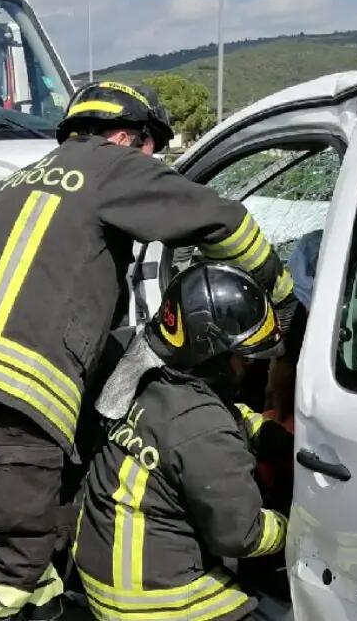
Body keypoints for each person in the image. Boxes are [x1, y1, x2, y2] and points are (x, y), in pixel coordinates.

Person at [0, 82, 297, 621]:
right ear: (128, 136)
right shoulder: (114, 165)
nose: (151, 161)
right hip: (23, 386)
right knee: (18, 554)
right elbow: (224, 220)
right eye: (152, 149)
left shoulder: (7, 187)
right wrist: (283, 297)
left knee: (44, 523)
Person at [73, 263, 292, 621]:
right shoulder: (202, 427)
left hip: (104, 576)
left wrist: (263, 431)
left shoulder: (146, 380)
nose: (248, 365)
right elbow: (241, 535)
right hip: (156, 602)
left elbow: (215, 418)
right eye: (242, 356)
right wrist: (293, 527)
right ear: (214, 354)